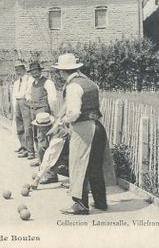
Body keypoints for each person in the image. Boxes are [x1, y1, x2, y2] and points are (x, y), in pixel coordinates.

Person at [52, 53, 109, 215]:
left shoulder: (72, 86)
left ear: (63, 72)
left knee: (78, 166)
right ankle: (100, 202)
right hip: (97, 127)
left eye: (59, 72)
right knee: (95, 167)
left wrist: (64, 121)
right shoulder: (90, 83)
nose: (59, 75)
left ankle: (81, 205)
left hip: (83, 129)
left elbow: (74, 112)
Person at [12, 63, 35, 160]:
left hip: (25, 103)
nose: (18, 72)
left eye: (19, 69)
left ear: (24, 69)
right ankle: (23, 147)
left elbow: (29, 93)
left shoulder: (30, 80)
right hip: (17, 102)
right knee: (19, 126)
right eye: (16, 70)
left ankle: (30, 150)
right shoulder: (17, 82)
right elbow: (14, 94)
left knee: (27, 127)